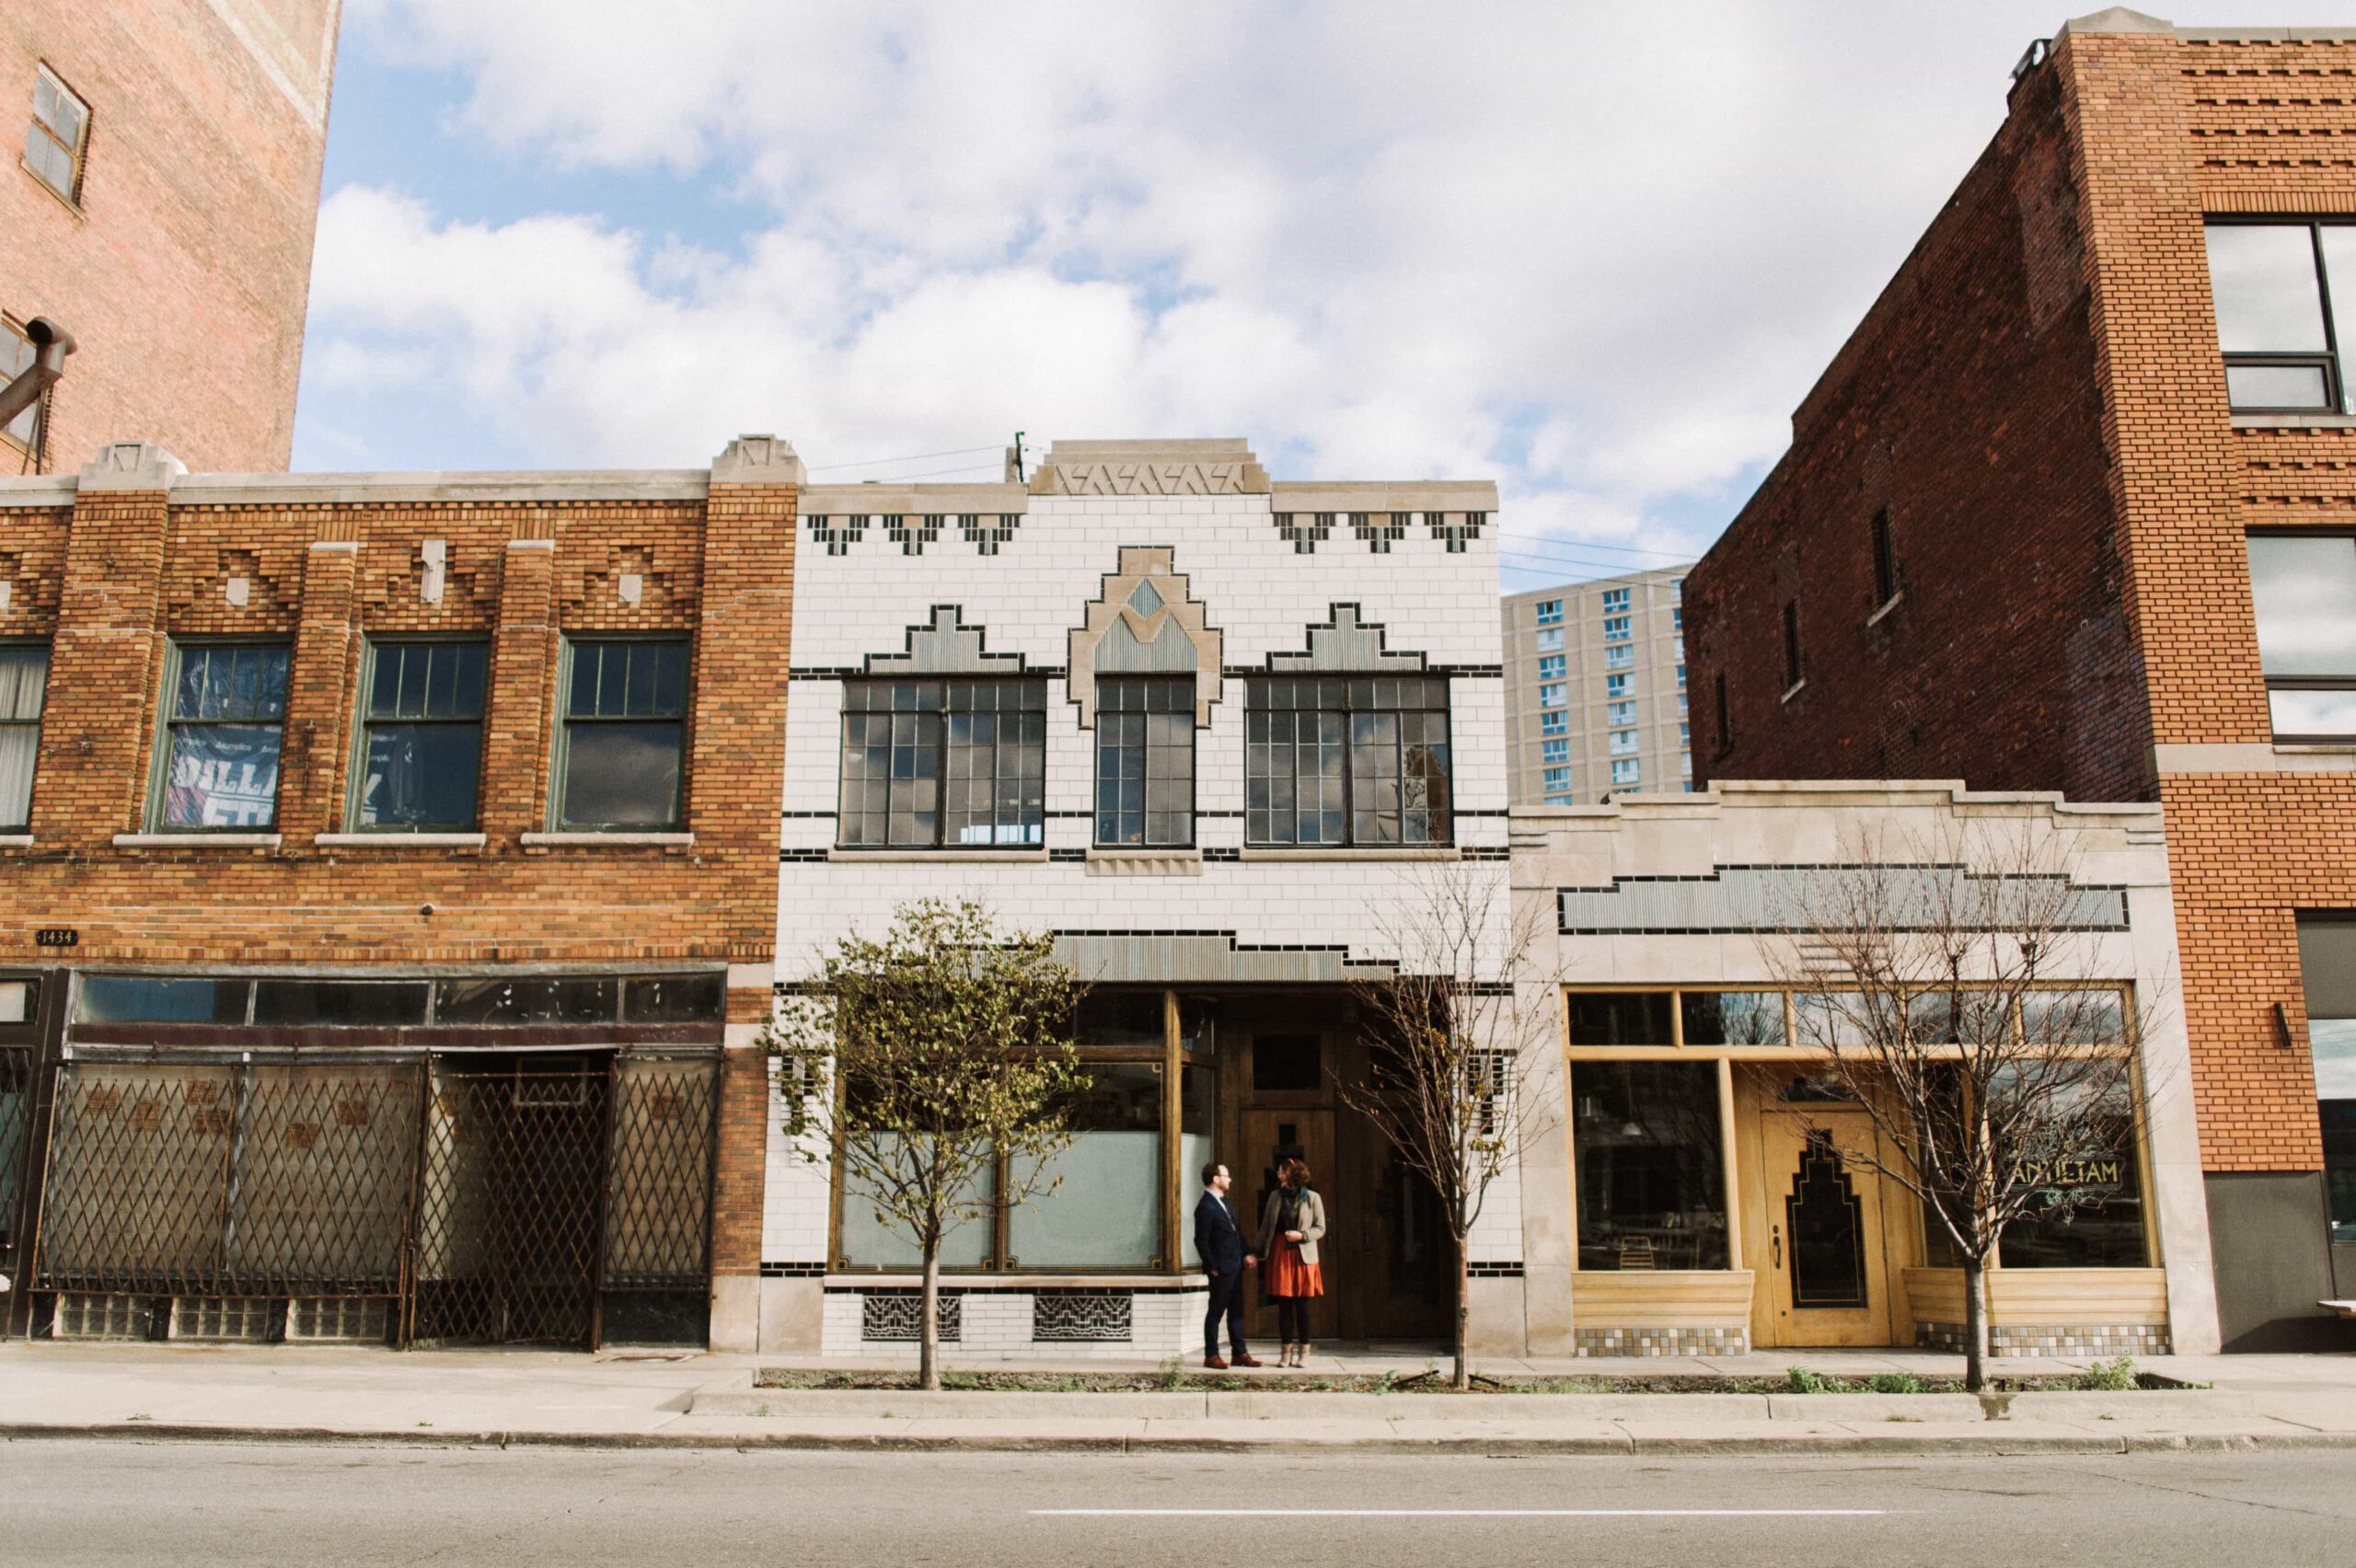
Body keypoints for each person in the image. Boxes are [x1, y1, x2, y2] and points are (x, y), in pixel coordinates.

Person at [1255, 1157, 1327, 1367]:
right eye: (1278, 1172)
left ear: (1293, 1174)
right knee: (1284, 1306)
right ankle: (1285, 1352)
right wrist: (1255, 1251)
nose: (1279, 1175)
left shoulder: (1313, 1198)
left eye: (1282, 1172)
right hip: (1281, 1253)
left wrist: (1301, 1235)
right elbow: (1266, 1227)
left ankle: (1304, 1351)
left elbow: (1321, 1228)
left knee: (1303, 1307)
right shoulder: (1275, 1196)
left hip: (1304, 1256)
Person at [1192, 1160, 1261, 1369]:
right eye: (1226, 1175)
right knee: (1216, 1311)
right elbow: (1200, 1240)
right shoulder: (1205, 1207)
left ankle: (1239, 1353)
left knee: (1237, 1311)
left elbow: (1236, 1233)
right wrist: (1211, 1265)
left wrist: (1247, 1253)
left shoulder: (1226, 1202)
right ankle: (1211, 1354)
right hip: (1220, 1269)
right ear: (1215, 1179)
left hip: (1235, 1265)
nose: (1229, 1179)